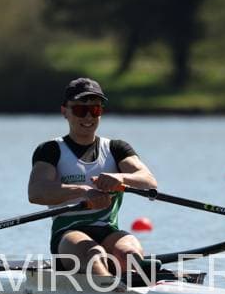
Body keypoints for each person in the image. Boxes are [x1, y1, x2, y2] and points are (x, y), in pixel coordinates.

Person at [27, 77, 157, 277]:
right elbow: (36, 192)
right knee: (94, 254)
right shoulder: (50, 150)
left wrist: (121, 178)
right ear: (65, 111)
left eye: (95, 110)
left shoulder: (117, 149)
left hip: (108, 231)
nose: (88, 116)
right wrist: (83, 191)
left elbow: (149, 181)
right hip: (68, 234)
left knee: (129, 252)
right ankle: (112, 290)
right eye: (80, 110)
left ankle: (135, 283)